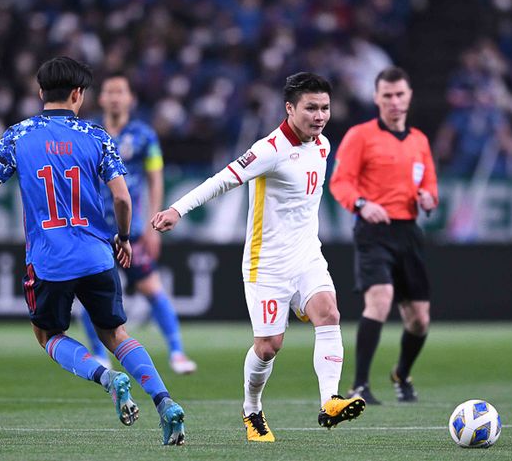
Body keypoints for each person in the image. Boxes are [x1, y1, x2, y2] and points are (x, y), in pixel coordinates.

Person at [0, 56, 186, 446]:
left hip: (49, 260)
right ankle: (165, 401)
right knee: (116, 333)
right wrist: (122, 237)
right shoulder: (98, 136)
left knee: (47, 333)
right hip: (97, 255)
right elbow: (121, 198)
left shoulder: (18, 134)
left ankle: (107, 378)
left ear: (40, 93)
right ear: (78, 94)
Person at [151, 72, 365, 442]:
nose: (319, 116)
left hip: (307, 256)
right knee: (268, 347)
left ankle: (329, 399)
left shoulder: (323, 145)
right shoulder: (269, 149)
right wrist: (177, 209)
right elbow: (222, 179)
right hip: (265, 264)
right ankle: (252, 409)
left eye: (325, 108)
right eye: (311, 108)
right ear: (289, 108)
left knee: (329, 312)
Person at [329, 66, 438, 405]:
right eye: (387, 95)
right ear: (376, 98)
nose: (394, 101)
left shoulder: (419, 140)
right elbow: (340, 182)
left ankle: (401, 373)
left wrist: (429, 199)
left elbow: (431, 185)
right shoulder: (360, 136)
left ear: (409, 96)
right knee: (380, 298)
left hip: (408, 231)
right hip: (373, 231)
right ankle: (359, 385)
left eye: (399, 94)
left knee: (419, 319)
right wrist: (362, 204)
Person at [78, 72, 196, 375]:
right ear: (101, 98)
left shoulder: (145, 135)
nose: (115, 97)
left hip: (131, 227)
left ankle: (177, 352)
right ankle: (98, 354)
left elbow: (155, 178)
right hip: (93, 227)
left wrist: (153, 223)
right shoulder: (88, 130)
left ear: (130, 98)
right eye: (110, 91)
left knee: (151, 287)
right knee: (88, 293)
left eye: (121, 92)